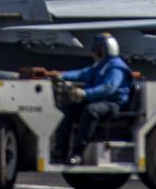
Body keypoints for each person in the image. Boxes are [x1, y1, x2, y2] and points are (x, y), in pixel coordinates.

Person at [52, 33, 133, 165]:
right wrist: (61, 76)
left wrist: (84, 94)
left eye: (96, 49)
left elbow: (109, 88)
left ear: (101, 50)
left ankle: (77, 153)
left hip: (113, 104)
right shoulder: (100, 65)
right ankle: (60, 152)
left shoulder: (116, 67)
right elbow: (82, 73)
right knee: (66, 111)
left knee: (90, 111)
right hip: (100, 102)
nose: (93, 52)